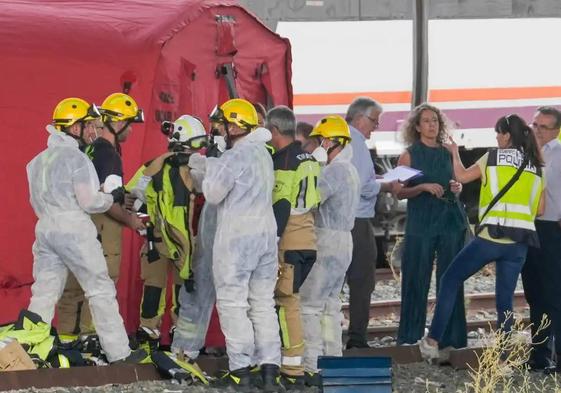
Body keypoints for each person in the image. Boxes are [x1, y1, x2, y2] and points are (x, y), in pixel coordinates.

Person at [26, 98, 145, 363]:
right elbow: (90, 202)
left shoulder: (36, 162)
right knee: (99, 288)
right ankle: (120, 354)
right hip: (74, 227)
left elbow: (34, 201)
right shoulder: (77, 159)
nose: (93, 130)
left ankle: (29, 350)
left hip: (45, 228)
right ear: (74, 128)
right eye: (88, 125)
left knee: (44, 291)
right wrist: (110, 196)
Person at [420, 114, 545, 361]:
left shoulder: (493, 157)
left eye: (498, 133)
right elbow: (540, 209)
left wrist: (455, 152)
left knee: (450, 279)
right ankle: (504, 353)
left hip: (491, 238)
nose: (496, 137)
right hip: (519, 244)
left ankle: (432, 340)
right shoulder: (536, 165)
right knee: (505, 300)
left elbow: (462, 176)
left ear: (507, 135)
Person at [187, 98, 283, 392]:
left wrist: (212, 160)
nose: (221, 130)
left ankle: (241, 370)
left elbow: (214, 194)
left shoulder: (233, 157)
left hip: (237, 238)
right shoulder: (262, 153)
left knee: (233, 303)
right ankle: (270, 369)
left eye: (224, 124)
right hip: (266, 236)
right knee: (263, 304)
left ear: (235, 126)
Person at [56, 93, 146, 342]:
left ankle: (66, 342)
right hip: (102, 229)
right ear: (118, 123)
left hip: (78, 227)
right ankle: (90, 342)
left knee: (74, 285)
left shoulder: (88, 149)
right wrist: (130, 220)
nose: (131, 131)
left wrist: (122, 196)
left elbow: (96, 190)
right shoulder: (109, 154)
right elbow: (105, 204)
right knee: (101, 284)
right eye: (130, 123)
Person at [127, 115, 208, 347]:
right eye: (196, 145)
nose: (199, 151)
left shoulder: (194, 169)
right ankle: (150, 334)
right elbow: (131, 195)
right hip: (163, 240)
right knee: (155, 288)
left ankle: (179, 337)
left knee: (184, 289)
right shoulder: (155, 166)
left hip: (184, 241)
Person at [395, 104, 468, 350]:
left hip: (449, 220)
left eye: (435, 120)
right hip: (421, 221)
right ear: (416, 126)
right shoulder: (409, 155)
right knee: (416, 277)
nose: (431, 125)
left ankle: (452, 337)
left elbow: (459, 182)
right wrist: (422, 187)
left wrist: (457, 188)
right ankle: (409, 336)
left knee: (450, 279)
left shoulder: (448, 153)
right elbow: (397, 191)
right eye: (426, 121)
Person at [299, 115, 360, 385]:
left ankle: (311, 364)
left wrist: (313, 170)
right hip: (344, 241)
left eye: (320, 141)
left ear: (333, 142)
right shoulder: (349, 168)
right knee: (330, 305)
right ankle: (332, 358)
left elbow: (312, 199)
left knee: (310, 304)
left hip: (326, 240)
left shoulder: (334, 170)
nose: (316, 146)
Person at [266, 106, 321, 387]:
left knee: (287, 302)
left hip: (289, 239)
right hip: (309, 238)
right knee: (294, 301)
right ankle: (294, 364)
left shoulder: (283, 160)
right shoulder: (309, 157)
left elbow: (282, 203)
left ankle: (292, 370)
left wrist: (272, 238)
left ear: (275, 130)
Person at [344, 97, 400, 349]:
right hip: (357, 220)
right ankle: (357, 339)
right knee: (362, 280)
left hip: (342, 218)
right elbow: (362, 186)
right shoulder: (355, 141)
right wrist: (387, 184)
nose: (376, 126)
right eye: (374, 120)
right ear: (358, 118)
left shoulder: (342, 139)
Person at [171, 110, 225, 366]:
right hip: (219, 240)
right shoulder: (201, 164)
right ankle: (186, 352)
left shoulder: (204, 164)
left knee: (199, 294)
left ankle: (185, 352)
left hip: (216, 240)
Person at [521, 106, 561, 373]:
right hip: (527, 228)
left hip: (552, 229)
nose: (536, 131)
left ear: (556, 130)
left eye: (542, 127)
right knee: (534, 294)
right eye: (534, 125)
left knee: (554, 295)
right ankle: (539, 357)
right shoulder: (525, 153)